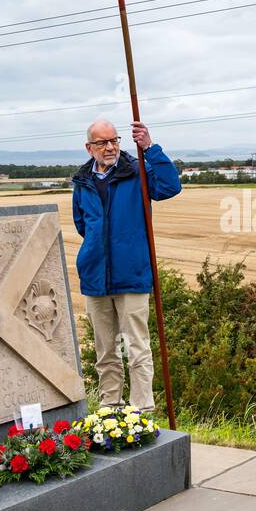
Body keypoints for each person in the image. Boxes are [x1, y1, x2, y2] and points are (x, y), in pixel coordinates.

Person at [71, 120, 181, 412]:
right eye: (102, 143)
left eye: (114, 140)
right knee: (106, 351)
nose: (109, 147)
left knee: (137, 348)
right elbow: (84, 225)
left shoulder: (137, 172)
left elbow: (170, 186)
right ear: (89, 147)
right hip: (96, 278)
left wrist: (150, 147)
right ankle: (111, 411)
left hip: (132, 276)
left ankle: (141, 414)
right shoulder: (82, 182)